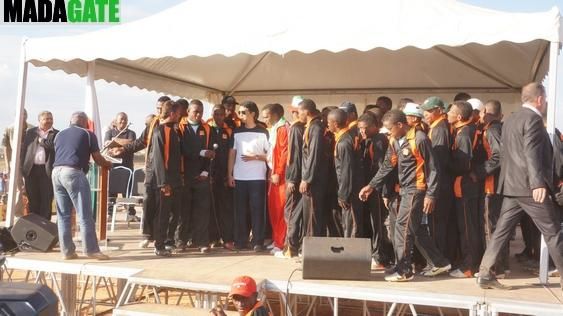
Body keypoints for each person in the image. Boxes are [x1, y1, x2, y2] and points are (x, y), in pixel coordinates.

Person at [478, 83, 563, 291]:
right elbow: (531, 152)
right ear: (540, 99)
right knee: (553, 232)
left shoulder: (510, 119)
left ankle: (485, 273)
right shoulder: (533, 119)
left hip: (511, 186)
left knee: (501, 231)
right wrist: (537, 183)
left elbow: (510, 154)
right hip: (529, 188)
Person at [359, 110, 451, 282]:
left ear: (400, 125)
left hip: (417, 189)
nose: (387, 132)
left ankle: (404, 270)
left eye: (389, 128)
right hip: (404, 189)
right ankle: (439, 262)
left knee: (402, 227)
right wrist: (371, 186)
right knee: (415, 229)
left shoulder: (419, 139)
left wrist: (431, 195)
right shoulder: (394, 140)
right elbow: (387, 165)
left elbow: (433, 169)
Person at [52, 111, 111, 260]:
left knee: (63, 215)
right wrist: (107, 164)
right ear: (85, 122)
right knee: (85, 215)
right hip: (73, 173)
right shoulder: (88, 133)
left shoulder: (59, 134)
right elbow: (97, 157)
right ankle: (91, 250)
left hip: (56, 172)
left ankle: (67, 251)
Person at [117, 96, 170, 249]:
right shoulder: (153, 123)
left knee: (162, 207)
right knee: (148, 203)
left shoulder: (173, 125)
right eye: (157, 108)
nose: (159, 111)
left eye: (162, 108)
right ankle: (147, 236)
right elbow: (141, 141)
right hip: (150, 171)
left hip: (165, 173)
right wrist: (122, 149)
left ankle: (162, 239)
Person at [471, 99, 509, 277]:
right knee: (498, 226)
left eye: (480, 112)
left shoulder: (492, 130)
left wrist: (479, 172)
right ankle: (502, 265)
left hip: (492, 184)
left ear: (485, 111)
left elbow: (499, 156)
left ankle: (494, 268)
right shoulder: (498, 128)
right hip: (498, 183)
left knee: (491, 227)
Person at [228, 101, 270, 251]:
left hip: (258, 177)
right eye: (239, 113)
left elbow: (270, 156)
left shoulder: (263, 132)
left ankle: (258, 240)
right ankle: (240, 240)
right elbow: (232, 153)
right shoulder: (236, 132)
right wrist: (230, 174)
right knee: (240, 210)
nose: (240, 115)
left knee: (257, 209)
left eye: (243, 112)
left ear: (253, 113)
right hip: (240, 177)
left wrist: (256, 157)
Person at [447, 101, 481, 278]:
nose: (448, 114)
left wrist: (446, 160)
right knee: (464, 226)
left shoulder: (465, 134)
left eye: (451, 111)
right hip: (462, 185)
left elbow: (464, 163)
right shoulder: (461, 131)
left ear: (459, 117)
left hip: (466, 185)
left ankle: (470, 266)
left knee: (467, 227)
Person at [177, 99, 215, 253]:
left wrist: (206, 172)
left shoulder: (207, 128)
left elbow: (212, 151)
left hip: (202, 176)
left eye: (201, 111)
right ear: (188, 112)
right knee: (183, 211)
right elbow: (181, 149)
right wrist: (199, 152)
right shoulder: (180, 127)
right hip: (184, 175)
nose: (198, 115)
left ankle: (201, 242)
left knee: (202, 210)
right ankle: (181, 241)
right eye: (195, 111)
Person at [420, 97, 455, 263]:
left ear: (440, 111)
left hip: (440, 185)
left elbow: (438, 162)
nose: (425, 114)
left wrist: (432, 189)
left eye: (429, 110)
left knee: (437, 226)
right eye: (425, 111)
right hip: (440, 183)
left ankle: (439, 261)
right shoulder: (435, 127)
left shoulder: (439, 129)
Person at [357, 112, 394, 268]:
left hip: (377, 189)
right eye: (360, 129)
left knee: (378, 222)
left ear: (374, 126)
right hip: (371, 187)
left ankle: (380, 257)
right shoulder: (369, 140)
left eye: (365, 128)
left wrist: (375, 187)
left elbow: (381, 167)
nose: (362, 132)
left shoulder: (379, 140)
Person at [275, 105, 306, 259]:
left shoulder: (296, 129)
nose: (293, 114)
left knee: (291, 212)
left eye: (295, 111)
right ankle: (295, 246)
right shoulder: (305, 128)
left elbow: (295, 156)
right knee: (296, 213)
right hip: (301, 177)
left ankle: (290, 248)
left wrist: (292, 179)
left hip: (295, 178)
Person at [262, 103, 290, 254]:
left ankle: (281, 243)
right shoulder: (274, 129)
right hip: (273, 171)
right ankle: (276, 239)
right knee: (273, 208)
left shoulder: (283, 128)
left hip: (281, 175)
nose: (264, 119)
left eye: (266, 116)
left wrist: (278, 172)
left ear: (274, 115)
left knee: (280, 208)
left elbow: (284, 153)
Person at [299, 99, 329, 237]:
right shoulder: (311, 126)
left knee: (312, 216)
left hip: (314, 181)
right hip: (313, 178)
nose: (298, 114)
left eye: (299, 111)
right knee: (310, 215)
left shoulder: (316, 127)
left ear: (306, 111)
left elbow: (314, 154)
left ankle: (312, 252)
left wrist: (307, 178)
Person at [20, 111, 58, 220]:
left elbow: (51, 146)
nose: (49, 121)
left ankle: (45, 226)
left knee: (46, 200)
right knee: (33, 199)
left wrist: (41, 141)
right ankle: (34, 226)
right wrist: (23, 168)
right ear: (40, 120)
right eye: (46, 119)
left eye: (51, 118)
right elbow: (24, 150)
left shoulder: (56, 134)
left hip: (47, 171)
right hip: (31, 170)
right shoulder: (30, 132)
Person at [207, 104, 235, 250]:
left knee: (225, 208)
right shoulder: (206, 128)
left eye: (221, 114)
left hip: (224, 176)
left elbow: (232, 153)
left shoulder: (229, 131)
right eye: (215, 114)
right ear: (212, 114)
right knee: (211, 208)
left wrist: (229, 174)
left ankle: (228, 238)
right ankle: (213, 238)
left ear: (225, 115)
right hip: (210, 175)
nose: (218, 117)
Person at [104, 112, 138, 221]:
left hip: (127, 166)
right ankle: (109, 213)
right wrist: (119, 144)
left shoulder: (131, 133)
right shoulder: (109, 132)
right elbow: (107, 144)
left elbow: (131, 143)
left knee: (128, 191)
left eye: (125, 119)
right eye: (121, 119)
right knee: (111, 191)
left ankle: (130, 214)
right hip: (113, 166)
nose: (123, 121)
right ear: (116, 120)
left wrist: (115, 142)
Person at [3, 108, 33, 217]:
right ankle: (18, 215)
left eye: (24, 114)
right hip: (15, 162)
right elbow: (5, 147)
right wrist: (7, 165)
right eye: (20, 114)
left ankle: (31, 212)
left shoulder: (32, 128)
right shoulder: (9, 128)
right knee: (18, 189)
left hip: (30, 162)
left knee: (31, 188)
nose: (23, 116)